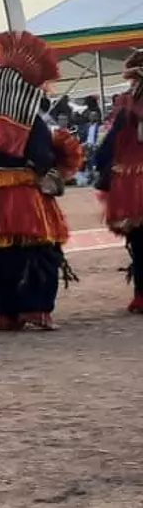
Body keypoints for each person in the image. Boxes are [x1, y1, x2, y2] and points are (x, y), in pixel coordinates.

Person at [0, 0, 84, 331]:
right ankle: (37, 308)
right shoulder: (32, 122)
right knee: (41, 248)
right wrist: (56, 170)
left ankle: (6, 312)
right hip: (24, 194)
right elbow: (42, 158)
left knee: (0, 252)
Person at [93, 51, 143, 312]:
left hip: (133, 183)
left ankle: (141, 294)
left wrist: (103, 171)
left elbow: (107, 148)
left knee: (140, 239)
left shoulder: (126, 109)